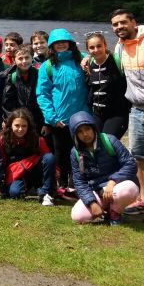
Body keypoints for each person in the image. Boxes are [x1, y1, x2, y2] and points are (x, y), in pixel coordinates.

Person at [36, 28, 89, 194]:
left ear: (70, 43)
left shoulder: (82, 60)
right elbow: (42, 94)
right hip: (59, 119)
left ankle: (77, 183)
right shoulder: (47, 66)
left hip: (81, 117)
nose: (61, 45)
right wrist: (51, 118)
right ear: (52, 45)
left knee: (81, 151)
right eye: (57, 43)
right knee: (61, 152)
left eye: (64, 42)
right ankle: (61, 183)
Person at [69, 110, 139, 225]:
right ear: (75, 135)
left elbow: (130, 163)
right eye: (80, 132)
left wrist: (113, 181)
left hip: (116, 187)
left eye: (87, 129)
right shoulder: (75, 152)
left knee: (128, 189)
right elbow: (79, 181)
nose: (85, 134)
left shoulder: (110, 140)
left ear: (93, 128)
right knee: (78, 216)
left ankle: (115, 213)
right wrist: (91, 203)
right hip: (97, 190)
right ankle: (106, 209)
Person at [110, 9, 144, 215]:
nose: (119, 27)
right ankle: (142, 199)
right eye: (115, 24)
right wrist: (87, 59)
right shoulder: (119, 47)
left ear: (133, 22)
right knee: (139, 157)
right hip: (137, 110)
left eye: (123, 22)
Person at [0, 108, 55, 205]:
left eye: (24, 126)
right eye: (17, 125)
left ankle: (46, 193)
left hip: (35, 172)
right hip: (16, 174)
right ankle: (26, 189)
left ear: (28, 126)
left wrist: (56, 174)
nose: (20, 129)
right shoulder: (2, 139)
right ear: (10, 125)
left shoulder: (38, 140)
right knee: (15, 194)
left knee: (49, 158)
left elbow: (49, 159)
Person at [84, 32, 129, 139]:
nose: (96, 50)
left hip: (116, 114)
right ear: (88, 50)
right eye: (92, 47)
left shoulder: (117, 61)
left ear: (105, 45)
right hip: (97, 114)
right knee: (94, 141)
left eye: (99, 46)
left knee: (108, 142)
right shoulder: (89, 64)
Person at [2, 44, 45, 132]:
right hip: (19, 121)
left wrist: (46, 123)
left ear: (32, 58)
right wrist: (8, 120)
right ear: (14, 60)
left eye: (27, 58)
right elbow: (7, 103)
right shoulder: (11, 77)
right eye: (20, 58)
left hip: (38, 121)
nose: (24, 61)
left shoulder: (40, 75)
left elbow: (45, 99)